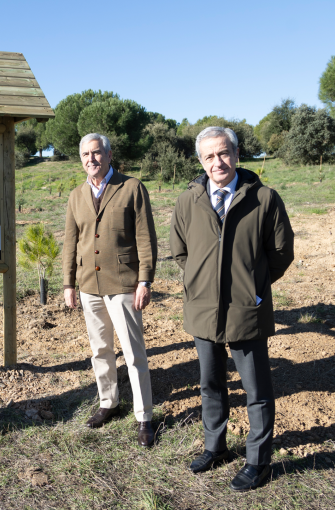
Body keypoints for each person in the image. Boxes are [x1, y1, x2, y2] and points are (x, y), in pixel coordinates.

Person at [170, 126, 294, 491]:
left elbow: (281, 253)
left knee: (256, 390)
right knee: (210, 384)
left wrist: (252, 288)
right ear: (200, 161)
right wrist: (201, 284)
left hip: (246, 310)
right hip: (202, 311)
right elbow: (180, 253)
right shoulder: (187, 200)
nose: (217, 162)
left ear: (237, 154)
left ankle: (259, 462)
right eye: (209, 156)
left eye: (223, 153)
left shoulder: (265, 199)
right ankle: (216, 447)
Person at [63, 133, 158, 447]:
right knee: (100, 350)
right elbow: (70, 243)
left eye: (96, 153)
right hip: (90, 284)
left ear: (108, 154)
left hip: (124, 284)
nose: (91, 159)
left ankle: (144, 416)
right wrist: (69, 284)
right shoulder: (76, 196)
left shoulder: (131, 188)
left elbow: (146, 238)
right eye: (85, 155)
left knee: (133, 353)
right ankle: (109, 403)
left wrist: (144, 281)